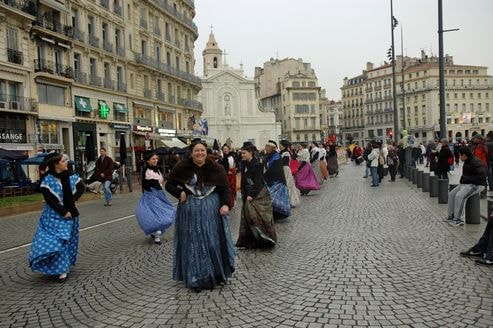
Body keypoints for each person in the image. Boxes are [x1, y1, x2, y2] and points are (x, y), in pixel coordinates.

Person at [165, 140, 235, 292]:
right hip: (190, 210)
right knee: (193, 242)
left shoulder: (216, 167)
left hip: (210, 209)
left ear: (206, 151)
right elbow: (168, 184)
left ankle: (214, 273)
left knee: (211, 241)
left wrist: (225, 204)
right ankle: (196, 276)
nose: (200, 153)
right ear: (191, 152)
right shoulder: (182, 166)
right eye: (197, 151)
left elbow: (224, 188)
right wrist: (180, 192)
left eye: (202, 150)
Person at [28, 153, 85, 283]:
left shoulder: (71, 175)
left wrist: (72, 201)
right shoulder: (48, 179)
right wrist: (63, 211)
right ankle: (57, 267)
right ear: (56, 164)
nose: (67, 162)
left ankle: (63, 269)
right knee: (56, 242)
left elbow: (81, 187)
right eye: (64, 160)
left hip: (71, 216)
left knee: (66, 242)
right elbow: (50, 200)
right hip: (53, 216)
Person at [236, 142, 277, 249]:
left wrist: (252, 195)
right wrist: (244, 193)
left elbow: (258, 181)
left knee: (259, 217)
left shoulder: (258, 163)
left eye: (244, 153)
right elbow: (244, 180)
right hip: (247, 194)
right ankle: (249, 241)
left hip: (258, 194)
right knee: (247, 217)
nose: (242, 155)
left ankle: (265, 239)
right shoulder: (244, 163)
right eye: (242, 153)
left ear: (251, 153)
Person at [135, 151, 176, 245]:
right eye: (153, 159)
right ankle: (156, 233)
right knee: (156, 213)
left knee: (167, 211)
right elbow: (149, 184)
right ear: (148, 161)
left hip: (160, 194)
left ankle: (157, 231)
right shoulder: (147, 171)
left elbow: (160, 182)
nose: (155, 160)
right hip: (151, 195)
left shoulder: (156, 169)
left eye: (156, 159)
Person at [445, 147, 487, 226]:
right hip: (466, 183)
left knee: (459, 196)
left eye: (460, 155)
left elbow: (482, 175)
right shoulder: (467, 161)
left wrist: (468, 179)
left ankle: (458, 219)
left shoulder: (475, 161)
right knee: (451, 194)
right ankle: (451, 216)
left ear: (465, 155)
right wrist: (463, 180)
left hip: (476, 185)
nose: (459, 157)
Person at [263, 140, 290, 220]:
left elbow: (275, 168)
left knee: (275, 198)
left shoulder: (276, 156)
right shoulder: (268, 155)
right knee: (270, 198)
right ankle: (272, 214)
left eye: (266, 147)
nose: (265, 148)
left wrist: (266, 175)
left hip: (277, 181)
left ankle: (279, 214)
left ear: (271, 148)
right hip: (269, 179)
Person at [279, 140, 300, 208]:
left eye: (280, 145)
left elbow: (284, 163)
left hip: (285, 169)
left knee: (288, 185)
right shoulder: (282, 152)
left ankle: (291, 201)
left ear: (284, 146)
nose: (279, 146)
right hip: (283, 169)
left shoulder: (286, 153)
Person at [218, 144, 237, 209]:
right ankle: (227, 203)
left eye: (226, 148)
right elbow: (220, 167)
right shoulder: (221, 157)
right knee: (227, 188)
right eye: (224, 149)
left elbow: (234, 163)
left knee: (233, 188)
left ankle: (231, 203)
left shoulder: (232, 155)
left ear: (229, 149)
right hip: (226, 175)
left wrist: (234, 169)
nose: (225, 150)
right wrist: (227, 171)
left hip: (233, 174)